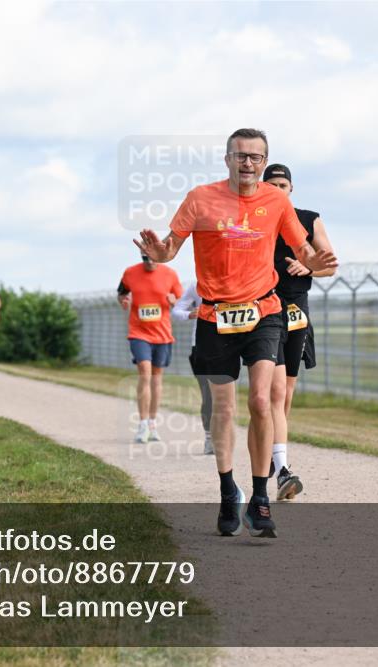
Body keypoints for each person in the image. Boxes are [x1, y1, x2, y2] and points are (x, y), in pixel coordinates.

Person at [136, 128, 337, 538]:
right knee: (224, 410)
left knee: (262, 400)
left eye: (255, 157)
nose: (248, 163)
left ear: (264, 162)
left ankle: (260, 499)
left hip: (264, 311)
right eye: (240, 155)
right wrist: (160, 253)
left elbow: (302, 250)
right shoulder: (200, 198)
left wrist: (315, 262)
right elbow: (171, 246)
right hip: (215, 316)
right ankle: (229, 491)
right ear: (227, 159)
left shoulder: (276, 201)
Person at [263, 163, 338, 500]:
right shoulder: (257, 221)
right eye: (272, 184)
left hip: (295, 310)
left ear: (291, 188)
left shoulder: (309, 220)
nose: (278, 190)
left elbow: (329, 265)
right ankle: (280, 463)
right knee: (274, 390)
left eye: (283, 185)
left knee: (287, 390)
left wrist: (307, 267)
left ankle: (275, 451)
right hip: (264, 310)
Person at [118, 255, 183, 444]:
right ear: (142, 256)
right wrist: (123, 301)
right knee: (144, 374)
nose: (150, 262)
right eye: (146, 258)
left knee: (156, 378)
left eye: (154, 258)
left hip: (162, 334)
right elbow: (121, 293)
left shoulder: (170, 274)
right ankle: (143, 424)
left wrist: (174, 301)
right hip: (138, 333)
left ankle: (153, 423)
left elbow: (181, 301)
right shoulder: (130, 273)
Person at [172, 281, 214, 455]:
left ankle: (223, 437)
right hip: (200, 346)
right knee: (208, 395)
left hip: (228, 347)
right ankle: (210, 438)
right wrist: (189, 314)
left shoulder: (232, 280)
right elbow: (176, 311)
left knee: (225, 398)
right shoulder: (196, 286)